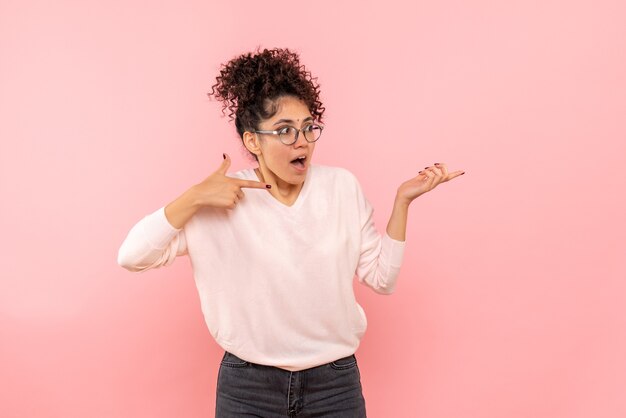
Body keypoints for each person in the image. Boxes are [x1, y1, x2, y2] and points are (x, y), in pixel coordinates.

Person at [117, 47, 464, 418]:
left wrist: (402, 202)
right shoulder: (218, 200)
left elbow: (382, 280)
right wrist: (192, 198)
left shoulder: (341, 188)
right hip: (247, 387)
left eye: (308, 127)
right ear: (253, 141)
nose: (302, 141)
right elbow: (131, 257)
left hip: (335, 385)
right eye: (284, 131)